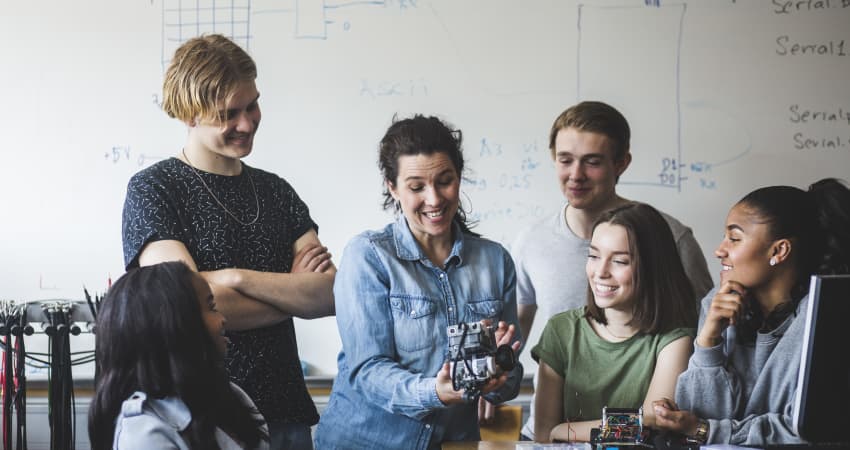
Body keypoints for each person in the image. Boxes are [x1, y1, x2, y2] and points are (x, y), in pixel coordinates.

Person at [121, 34, 335, 449]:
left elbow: (328, 295)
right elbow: (184, 308)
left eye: (252, 105)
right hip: (203, 418)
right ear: (189, 115)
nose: (247, 123)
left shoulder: (277, 192)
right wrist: (290, 292)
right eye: (228, 113)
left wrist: (232, 279)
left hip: (287, 411)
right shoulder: (154, 190)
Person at [313, 115, 523, 449]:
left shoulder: (496, 261)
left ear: (459, 176)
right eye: (416, 187)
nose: (435, 199)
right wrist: (434, 392)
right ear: (392, 187)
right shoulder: (368, 256)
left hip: (454, 443)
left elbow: (509, 380)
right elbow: (368, 370)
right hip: (366, 442)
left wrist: (498, 374)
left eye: (445, 181)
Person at [513, 101, 713, 439]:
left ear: (621, 163)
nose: (575, 175)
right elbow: (516, 327)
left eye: (592, 162)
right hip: (551, 438)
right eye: (565, 160)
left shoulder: (669, 240)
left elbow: (703, 335)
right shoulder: (531, 241)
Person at [652, 178, 850, 446]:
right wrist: (709, 341)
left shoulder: (823, 320)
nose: (719, 250)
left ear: (779, 250)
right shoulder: (717, 304)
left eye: (734, 238)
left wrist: (705, 429)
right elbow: (698, 419)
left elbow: (805, 430)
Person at [531, 202, 696, 443]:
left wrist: (565, 431)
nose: (600, 272)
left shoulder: (675, 339)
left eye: (619, 261)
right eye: (594, 256)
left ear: (652, 267)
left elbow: (650, 425)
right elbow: (544, 437)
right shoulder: (562, 330)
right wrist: (556, 432)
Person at [88, 261, 269, 450]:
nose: (223, 319)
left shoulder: (232, 395)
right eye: (212, 307)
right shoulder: (144, 433)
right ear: (175, 325)